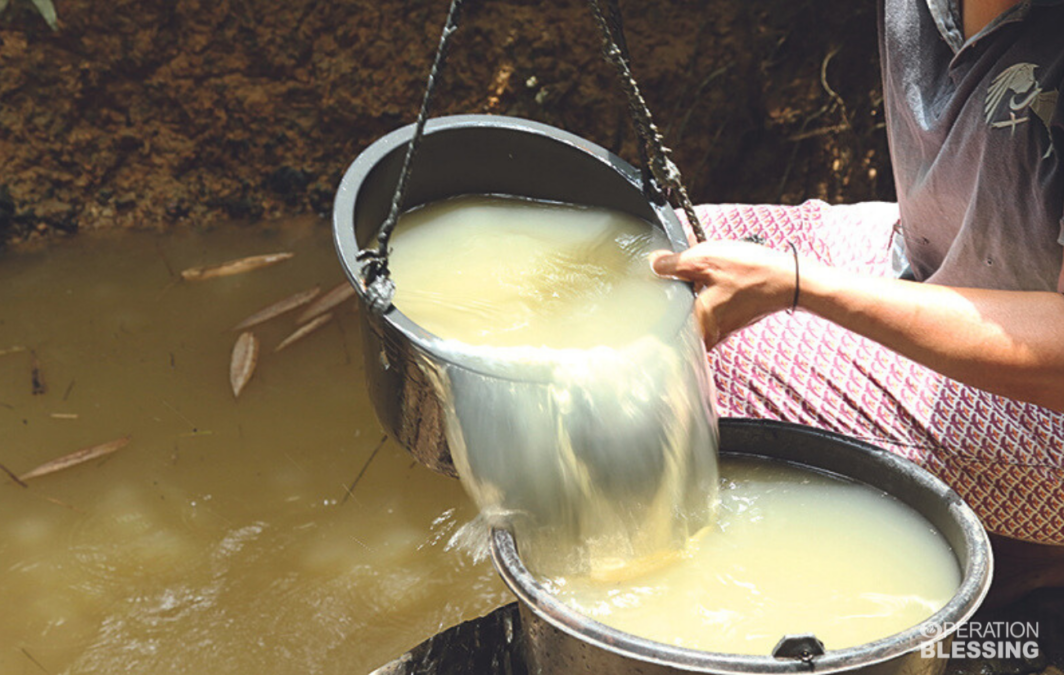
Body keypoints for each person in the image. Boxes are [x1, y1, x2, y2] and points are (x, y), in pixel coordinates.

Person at [651, 0, 1064, 605]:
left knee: (679, 360)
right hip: (920, 258)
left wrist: (801, 286)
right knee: (644, 258)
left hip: (1042, 404)